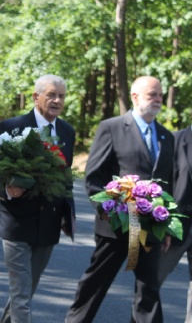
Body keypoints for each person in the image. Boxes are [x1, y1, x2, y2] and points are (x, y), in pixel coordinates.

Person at [65, 76, 174, 323]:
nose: (158, 99)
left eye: (159, 95)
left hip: (151, 227)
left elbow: (169, 182)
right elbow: (94, 177)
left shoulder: (167, 136)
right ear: (135, 97)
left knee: (149, 288)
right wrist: (109, 210)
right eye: (152, 95)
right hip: (116, 224)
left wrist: (166, 224)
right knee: (97, 281)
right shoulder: (112, 127)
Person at [0, 74, 75, 323]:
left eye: (61, 95)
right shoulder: (12, 127)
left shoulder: (68, 132)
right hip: (16, 220)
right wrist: (6, 189)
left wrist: (65, 214)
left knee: (26, 290)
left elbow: (66, 176)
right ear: (36, 97)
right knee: (21, 290)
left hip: (48, 222)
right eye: (51, 94)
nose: (57, 100)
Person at [157, 125, 192, 322]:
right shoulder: (174, 139)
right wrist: (165, 222)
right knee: (151, 284)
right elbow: (161, 184)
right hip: (174, 225)